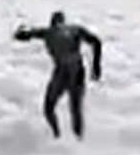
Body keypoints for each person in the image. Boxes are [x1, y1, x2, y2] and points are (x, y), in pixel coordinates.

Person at [13, 11, 102, 139]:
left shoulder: (49, 32)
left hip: (65, 71)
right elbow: (96, 42)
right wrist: (96, 66)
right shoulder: (73, 29)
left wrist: (20, 31)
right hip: (74, 70)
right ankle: (74, 139)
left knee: (51, 108)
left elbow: (23, 36)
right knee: (74, 109)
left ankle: (58, 135)